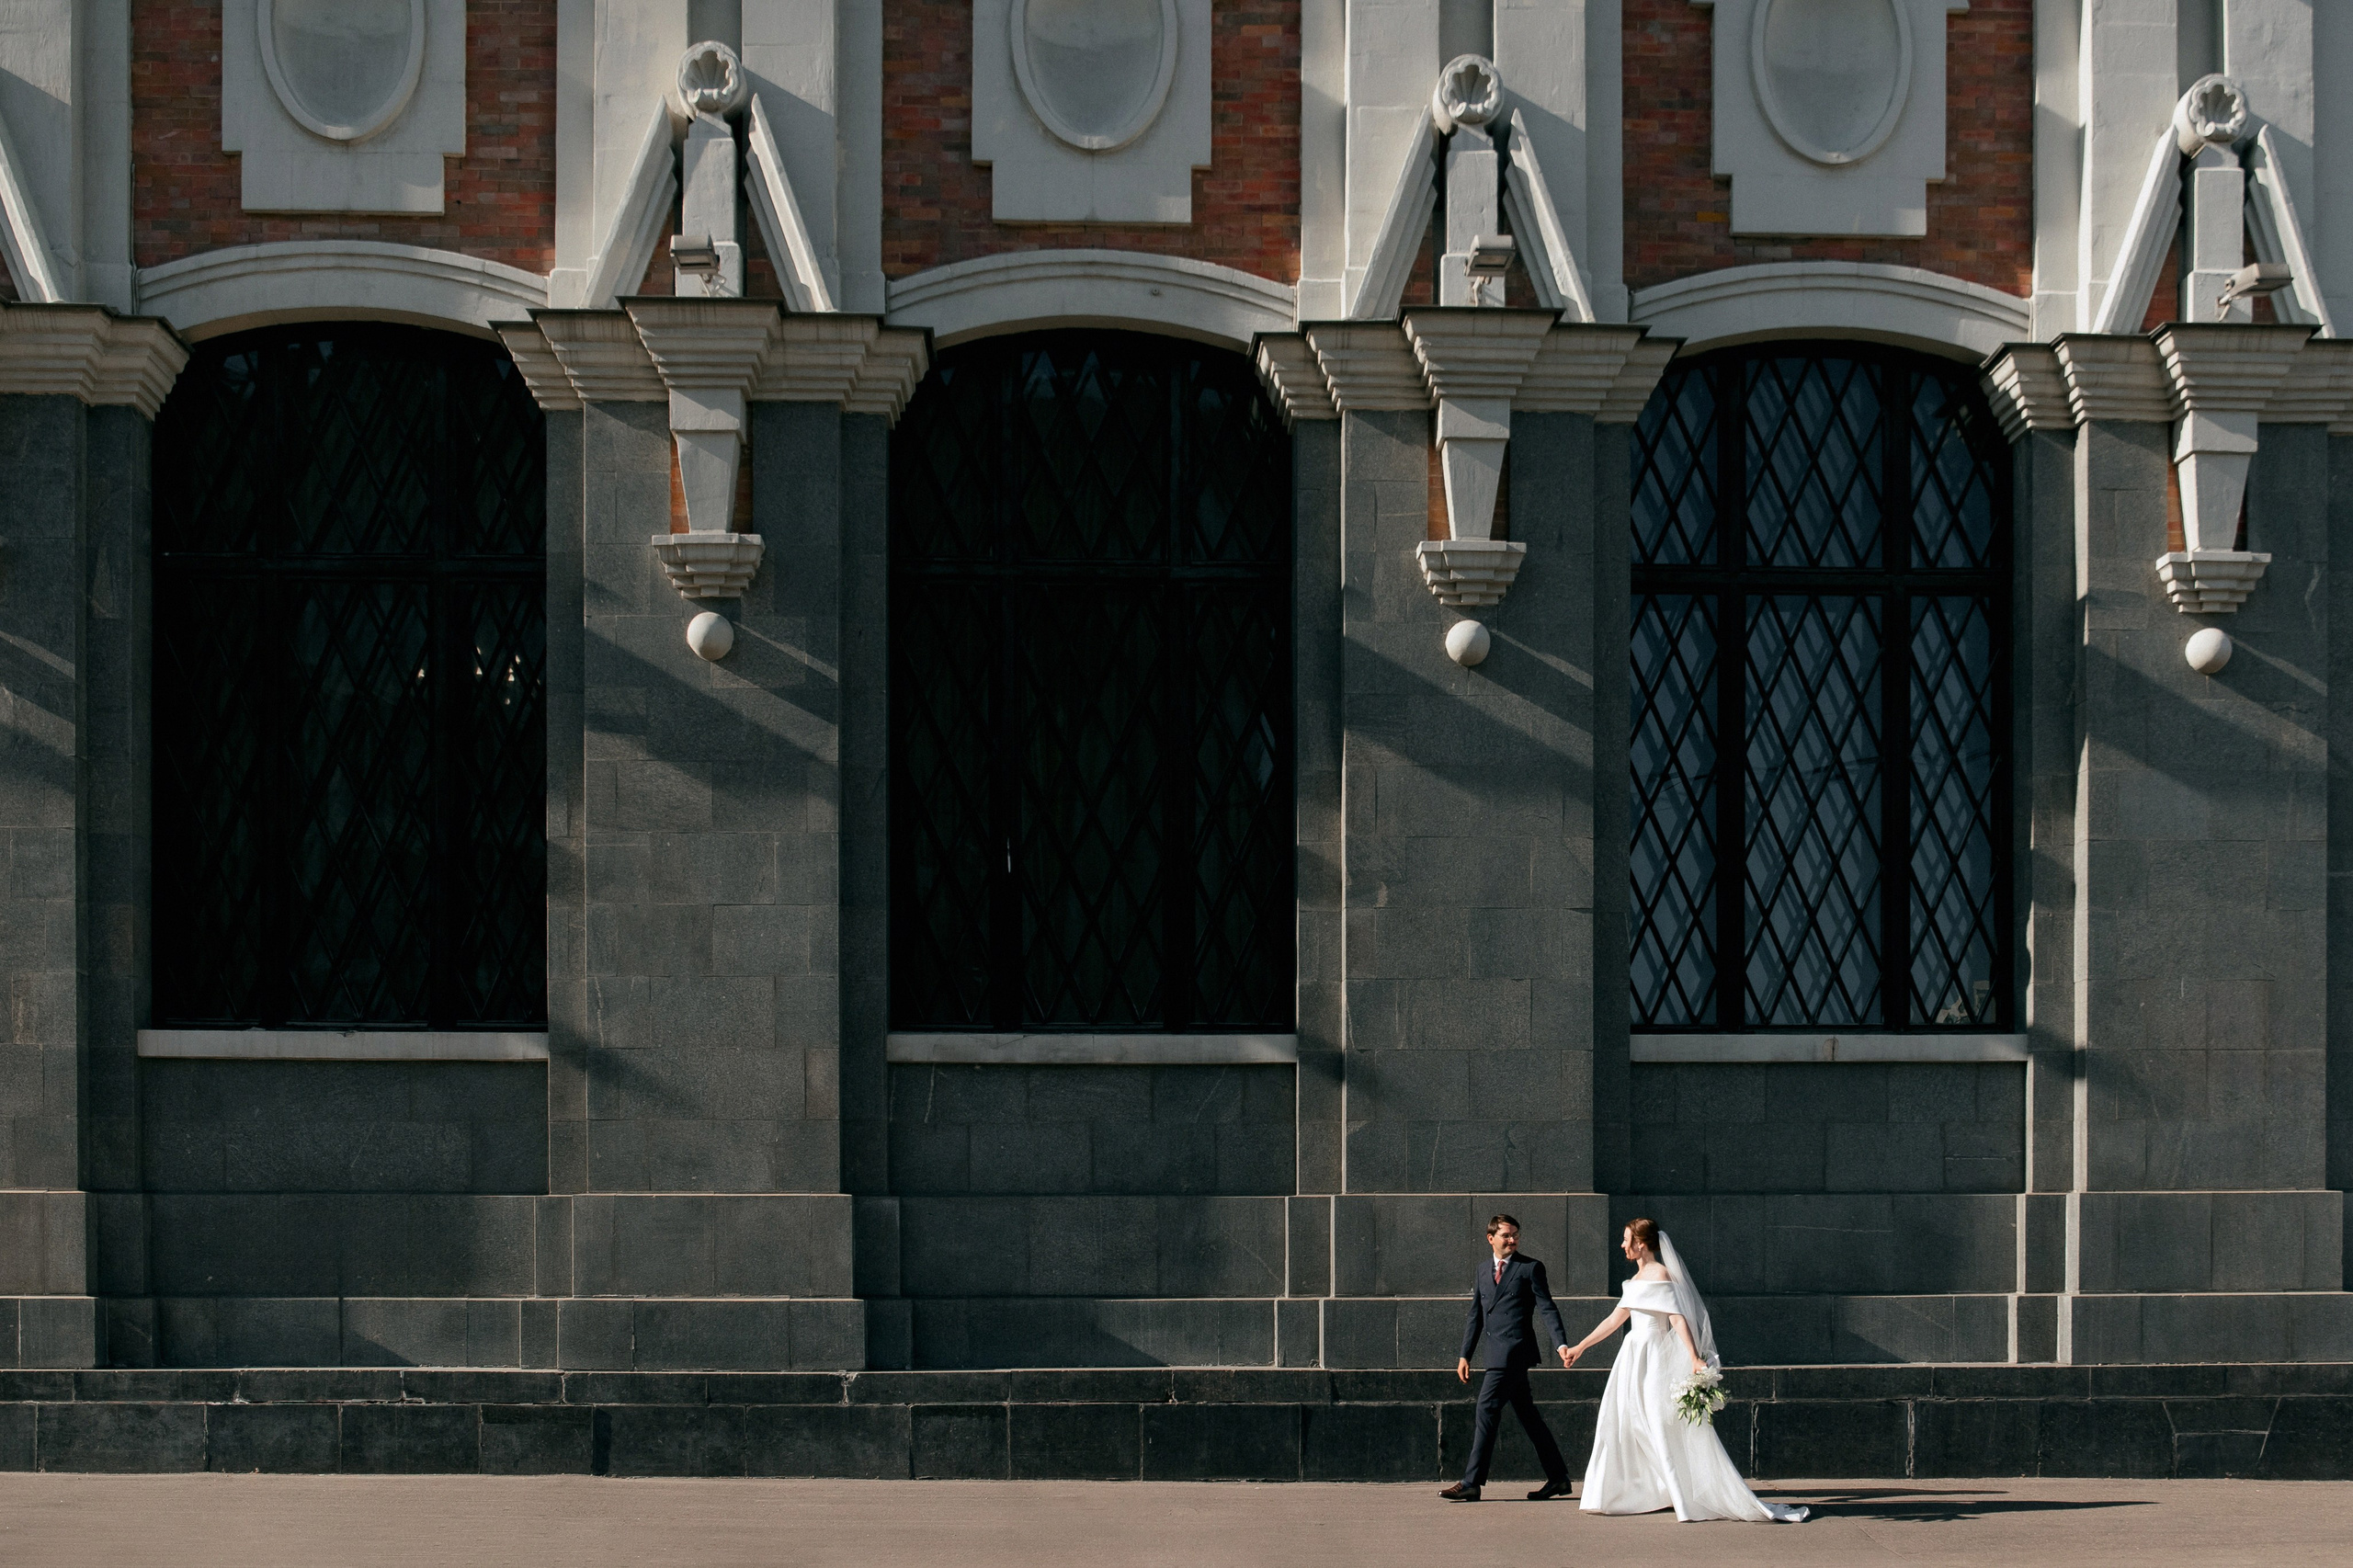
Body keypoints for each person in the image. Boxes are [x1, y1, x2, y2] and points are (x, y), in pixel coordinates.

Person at [1561, 1217, 1808, 1523]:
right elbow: (1614, 1321)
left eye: (1627, 1240)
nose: (1623, 1245)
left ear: (1640, 1243)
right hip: (1632, 1356)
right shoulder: (1636, 1280)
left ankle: (1681, 1496)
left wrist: (1693, 1357)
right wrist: (1579, 1347)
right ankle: (1649, 1491)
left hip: (1652, 1354)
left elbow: (1677, 1318)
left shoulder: (1659, 1274)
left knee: (1656, 1419)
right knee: (1626, 1419)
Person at [1437, 1213, 1574, 1503]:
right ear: (1491, 1239)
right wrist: (1465, 1354)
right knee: (1528, 1416)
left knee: (1486, 1409)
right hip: (1492, 1353)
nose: (1512, 1240)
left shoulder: (1530, 1268)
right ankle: (1559, 1478)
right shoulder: (1482, 1270)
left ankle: (1471, 1482)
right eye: (1506, 1236)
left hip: (1514, 1353)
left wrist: (1560, 1343)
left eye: (1515, 1235)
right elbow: (1476, 1314)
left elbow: (1547, 1307)